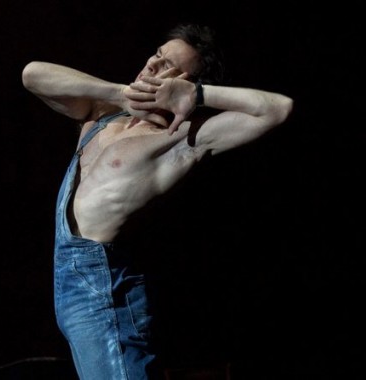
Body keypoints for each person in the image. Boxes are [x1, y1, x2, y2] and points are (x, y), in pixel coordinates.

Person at [21, 23, 293, 380]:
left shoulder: (180, 138)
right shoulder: (103, 114)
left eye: (167, 67)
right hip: (69, 283)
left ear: (184, 82)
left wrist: (197, 96)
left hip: (107, 291)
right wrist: (121, 93)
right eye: (157, 55)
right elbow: (32, 74)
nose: (152, 65)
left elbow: (277, 109)